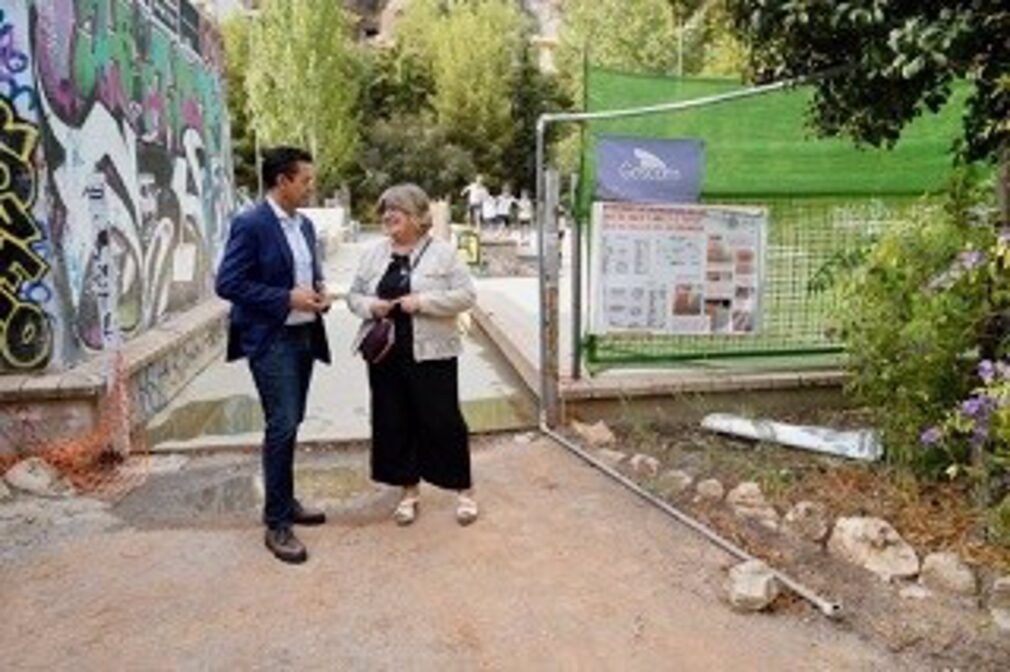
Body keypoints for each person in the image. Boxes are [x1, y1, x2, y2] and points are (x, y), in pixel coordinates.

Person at [215, 146, 331, 564]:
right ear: (282, 181)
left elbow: (306, 274)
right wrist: (285, 298)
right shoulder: (251, 224)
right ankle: (277, 522)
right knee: (281, 423)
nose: (311, 186)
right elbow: (228, 283)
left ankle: (286, 501)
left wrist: (318, 294)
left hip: (304, 336)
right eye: (305, 180)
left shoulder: (304, 226)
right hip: (271, 339)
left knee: (291, 421)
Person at [347, 183, 478, 527]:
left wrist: (423, 302)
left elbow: (466, 295)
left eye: (398, 210)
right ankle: (409, 492)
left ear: (418, 217)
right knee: (394, 420)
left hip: (432, 352)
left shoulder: (443, 254)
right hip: (386, 354)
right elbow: (353, 295)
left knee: (443, 420)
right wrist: (370, 306)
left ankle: (463, 490)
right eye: (386, 209)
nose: (389, 216)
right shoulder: (373, 253)